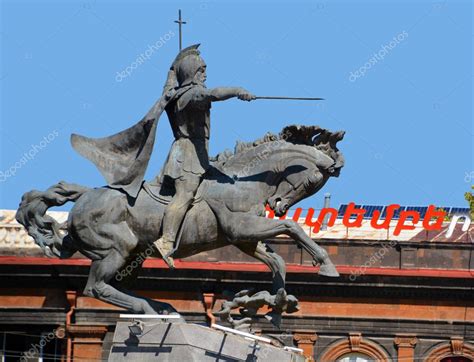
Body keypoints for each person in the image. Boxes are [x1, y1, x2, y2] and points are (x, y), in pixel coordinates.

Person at [154, 46, 255, 268]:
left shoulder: (174, 91)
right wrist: (237, 90)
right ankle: (166, 240)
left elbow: (170, 80)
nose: (205, 74)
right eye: (201, 70)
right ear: (191, 73)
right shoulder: (189, 95)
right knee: (186, 194)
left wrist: (174, 66)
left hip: (197, 154)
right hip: (187, 154)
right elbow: (212, 94)